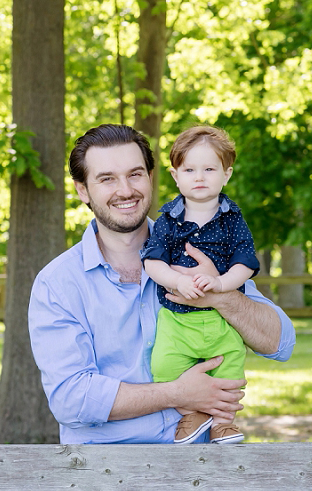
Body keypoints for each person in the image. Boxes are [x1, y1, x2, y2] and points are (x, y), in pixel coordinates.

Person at [28, 124, 295, 444]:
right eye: (107, 178)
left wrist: (218, 295)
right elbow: (70, 399)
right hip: (106, 474)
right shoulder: (58, 283)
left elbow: (281, 343)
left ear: (152, 178)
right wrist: (176, 394)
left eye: (135, 174)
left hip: (200, 469)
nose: (125, 190)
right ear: (82, 190)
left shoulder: (203, 249)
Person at [141, 125, 256, 445]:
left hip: (222, 322)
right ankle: (190, 415)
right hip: (177, 320)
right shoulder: (168, 220)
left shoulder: (233, 219)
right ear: (175, 176)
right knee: (164, 365)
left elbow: (245, 263)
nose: (199, 176)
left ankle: (223, 423)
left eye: (209, 169)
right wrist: (178, 280)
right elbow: (152, 262)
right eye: (189, 169)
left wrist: (220, 283)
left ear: (226, 174)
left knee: (231, 366)